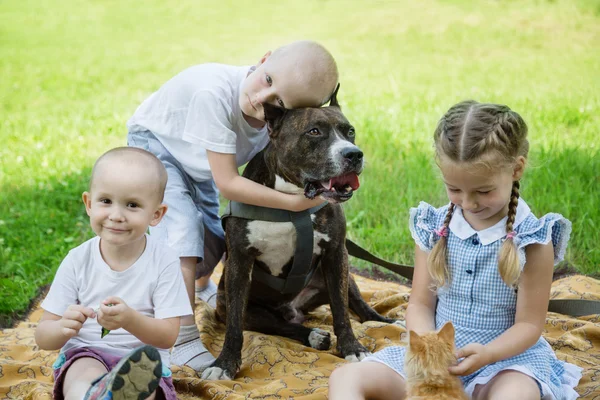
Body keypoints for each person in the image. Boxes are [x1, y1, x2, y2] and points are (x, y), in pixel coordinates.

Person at [328, 100, 582, 400]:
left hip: (503, 363)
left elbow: (529, 325)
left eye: (484, 191)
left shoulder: (533, 238)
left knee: (517, 395)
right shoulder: (434, 227)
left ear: (516, 168)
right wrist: (427, 347)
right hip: (436, 364)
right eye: (455, 189)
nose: (469, 203)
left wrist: (488, 354)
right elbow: (421, 303)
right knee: (345, 378)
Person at [126, 40, 339, 372]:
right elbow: (229, 184)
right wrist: (293, 203)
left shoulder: (269, 116)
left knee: (214, 234)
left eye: (280, 102)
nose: (262, 99)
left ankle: (201, 285)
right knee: (183, 234)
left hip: (198, 159)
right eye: (267, 81)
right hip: (158, 144)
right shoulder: (213, 95)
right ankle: (180, 337)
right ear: (264, 58)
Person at [35, 147, 192, 400]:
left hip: (142, 361)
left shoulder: (164, 261)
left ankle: (115, 394)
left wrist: (130, 320)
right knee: (82, 372)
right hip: (87, 351)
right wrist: (63, 327)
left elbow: (167, 337)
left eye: (132, 205)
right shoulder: (77, 260)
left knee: (143, 384)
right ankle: (93, 394)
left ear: (156, 215)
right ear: (88, 203)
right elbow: (43, 336)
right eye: (106, 201)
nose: (116, 216)